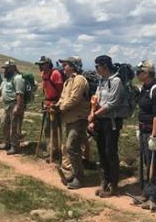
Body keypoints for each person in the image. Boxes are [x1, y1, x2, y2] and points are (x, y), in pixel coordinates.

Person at [88, 55, 126, 197]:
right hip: (100, 120)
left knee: (110, 152)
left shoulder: (116, 81)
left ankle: (113, 185)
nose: (96, 69)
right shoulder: (102, 81)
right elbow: (95, 99)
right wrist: (93, 116)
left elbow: (112, 104)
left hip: (111, 122)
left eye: (97, 66)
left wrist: (94, 115)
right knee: (102, 152)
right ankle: (104, 181)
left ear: (104, 66)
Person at [134, 60, 156, 211]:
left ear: (147, 73)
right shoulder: (145, 89)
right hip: (143, 130)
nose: (137, 74)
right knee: (148, 162)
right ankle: (148, 192)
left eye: (139, 72)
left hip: (152, 131)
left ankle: (155, 196)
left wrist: (154, 137)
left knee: (153, 161)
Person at [55, 57, 90, 189]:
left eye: (65, 65)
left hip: (79, 118)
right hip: (70, 118)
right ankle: (74, 174)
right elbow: (63, 97)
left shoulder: (79, 80)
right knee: (69, 147)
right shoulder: (68, 81)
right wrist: (56, 105)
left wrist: (61, 107)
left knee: (71, 147)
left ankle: (80, 178)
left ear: (73, 66)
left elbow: (74, 99)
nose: (63, 67)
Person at [0, 60, 25, 155]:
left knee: (14, 126)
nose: (4, 71)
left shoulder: (18, 78)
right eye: (4, 69)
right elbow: (0, 89)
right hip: (6, 105)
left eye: (6, 69)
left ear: (12, 69)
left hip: (14, 104)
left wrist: (18, 107)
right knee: (4, 123)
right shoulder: (6, 79)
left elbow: (19, 94)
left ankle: (15, 146)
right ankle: (7, 143)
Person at [36, 56, 64, 161]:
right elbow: (45, 89)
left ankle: (55, 150)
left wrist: (58, 104)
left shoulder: (55, 74)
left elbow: (62, 90)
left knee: (53, 127)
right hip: (48, 103)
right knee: (48, 128)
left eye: (42, 64)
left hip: (55, 104)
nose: (40, 66)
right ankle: (52, 149)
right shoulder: (43, 74)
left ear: (48, 64)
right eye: (39, 64)